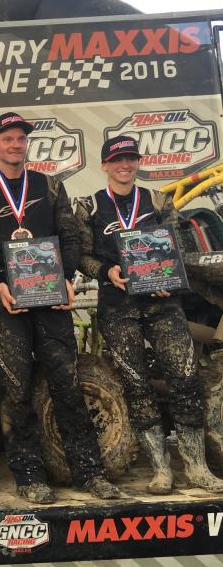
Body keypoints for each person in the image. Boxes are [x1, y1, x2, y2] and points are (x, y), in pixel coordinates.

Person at [0, 112, 119, 504]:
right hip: (5, 305)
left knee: (67, 386)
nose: (15, 145)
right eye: (7, 139)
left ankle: (90, 473)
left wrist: (67, 278)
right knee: (16, 392)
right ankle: (29, 477)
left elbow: (71, 238)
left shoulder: (50, 186)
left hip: (51, 300)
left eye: (20, 139)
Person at [75, 135, 223, 494]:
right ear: (105, 165)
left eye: (131, 158)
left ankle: (197, 467)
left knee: (185, 379)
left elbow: (177, 248)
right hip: (118, 306)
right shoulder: (89, 208)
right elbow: (81, 256)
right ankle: (160, 469)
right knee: (136, 385)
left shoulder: (158, 201)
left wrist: (167, 277)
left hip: (162, 304)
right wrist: (105, 272)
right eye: (117, 160)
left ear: (138, 162)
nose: (125, 165)